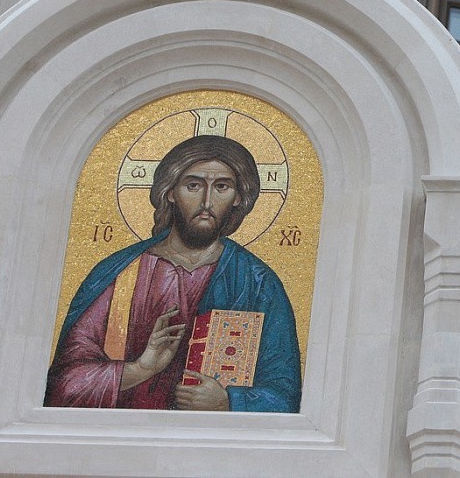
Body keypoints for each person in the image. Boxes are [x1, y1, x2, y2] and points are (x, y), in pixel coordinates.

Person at [46, 134, 302, 412]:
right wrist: (140, 369)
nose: (207, 201)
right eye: (193, 185)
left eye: (222, 187)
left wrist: (228, 401)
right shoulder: (120, 273)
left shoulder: (257, 283)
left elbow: (285, 396)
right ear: (170, 191)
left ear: (238, 198)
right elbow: (64, 386)